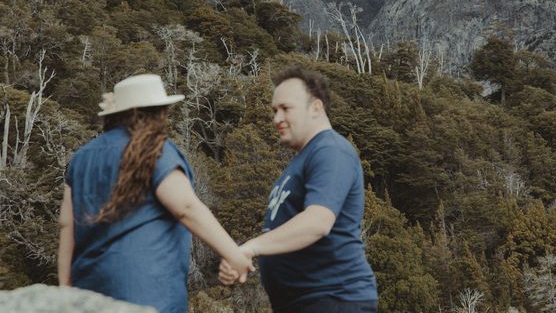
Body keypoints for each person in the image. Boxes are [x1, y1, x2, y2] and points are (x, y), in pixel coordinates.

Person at [58, 73, 253, 312]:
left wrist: (65, 289)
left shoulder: (81, 159)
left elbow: (67, 226)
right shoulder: (156, 151)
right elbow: (187, 208)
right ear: (158, 113)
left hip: (89, 295)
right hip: (149, 294)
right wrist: (234, 255)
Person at [219, 67, 378, 313]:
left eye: (286, 108)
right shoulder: (299, 163)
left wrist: (249, 248)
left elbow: (318, 222)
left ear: (316, 107)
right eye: (274, 111)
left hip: (333, 299)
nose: (276, 119)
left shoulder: (330, 150)